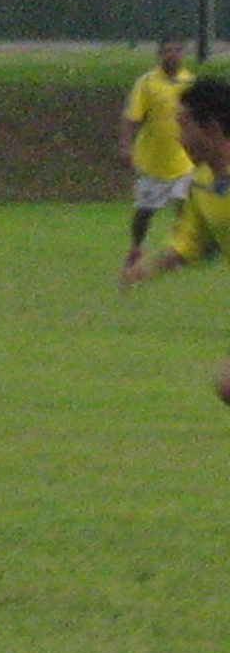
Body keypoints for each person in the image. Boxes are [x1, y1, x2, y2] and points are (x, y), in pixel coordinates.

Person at [120, 76, 230, 403]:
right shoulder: (203, 185)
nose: (179, 139)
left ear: (211, 127)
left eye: (185, 127)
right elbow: (189, 244)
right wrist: (146, 269)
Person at [118, 36, 195, 272]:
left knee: (184, 208)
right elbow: (132, 118)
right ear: (160, 56)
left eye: (177, 50)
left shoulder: (191, 83)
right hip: (153, 162)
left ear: (184, 54)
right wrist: (125, 145)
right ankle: (137, 247)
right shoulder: (147, 83)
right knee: (145, 211)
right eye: (167, 51)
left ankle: (176, 254)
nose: (172, 55)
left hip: (184, 160)